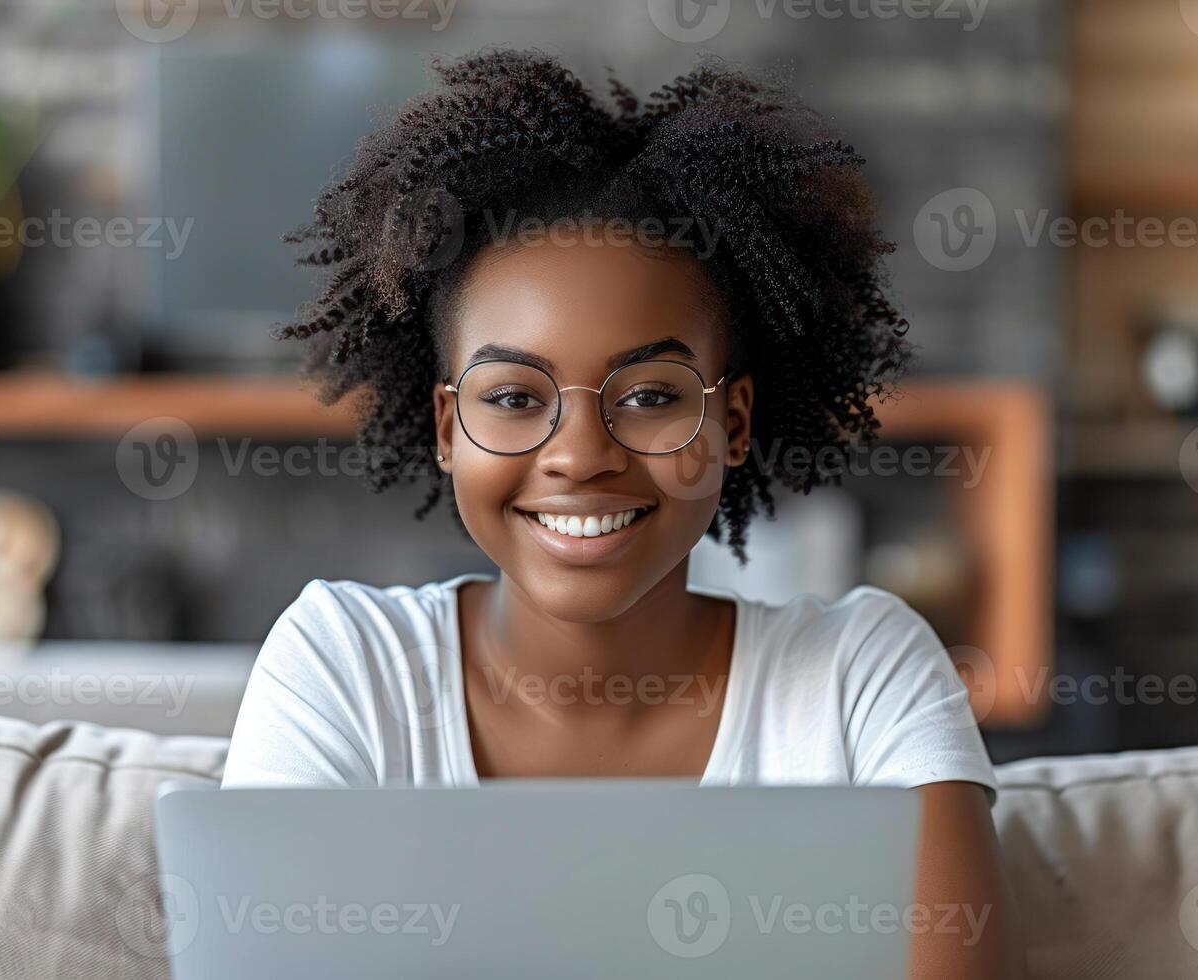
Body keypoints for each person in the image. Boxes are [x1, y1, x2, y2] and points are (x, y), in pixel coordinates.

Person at [221, 48, 1018, 977]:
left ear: (731, 421)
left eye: (648, 396)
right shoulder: (344, 670)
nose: (580, 455)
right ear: (448, 427)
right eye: (514, 397)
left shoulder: (861, 682)